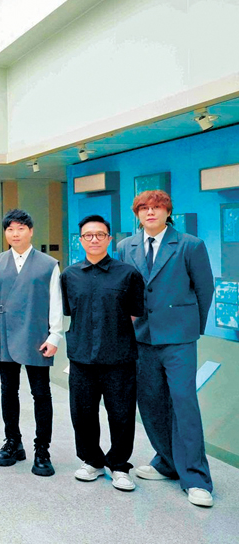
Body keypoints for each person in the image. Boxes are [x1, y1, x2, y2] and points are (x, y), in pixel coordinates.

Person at [116, 190, 215, 507]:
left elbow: (205, 289)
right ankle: (168, 461)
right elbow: (124, 290)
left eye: (157, 207)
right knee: (150, 404)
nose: (150, 212)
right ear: (137, 214)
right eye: (144, 208)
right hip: (142, 337)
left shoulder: (189, 245)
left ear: (167, 212)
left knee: (184, 403)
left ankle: (196, 478)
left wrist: (192, 328)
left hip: (178, 339)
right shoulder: (126, 246)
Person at [62, 214, 145, 492]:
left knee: (121, 414)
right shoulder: (69, 275)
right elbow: (69, 311)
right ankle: (92, 461)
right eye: (88, 235)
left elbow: (135, 312)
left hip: (119, 357)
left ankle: (119, 466)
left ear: (109, 239)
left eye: (100, 234)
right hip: (81, 357)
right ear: (81, 240)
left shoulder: (128, 274)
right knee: (82, 413)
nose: (94, 239)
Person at [0, 208, 63, 477]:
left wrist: (55, 335)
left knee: (41, 393)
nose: (15, 234)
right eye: (10, 229)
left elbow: (55, 301)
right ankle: (13, 442)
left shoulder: (48, 264)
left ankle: (42, 449)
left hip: (37, 335)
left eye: (20, 229)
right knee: (8, 391)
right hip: (4, 334)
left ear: (31, 231)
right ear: (5, 233)